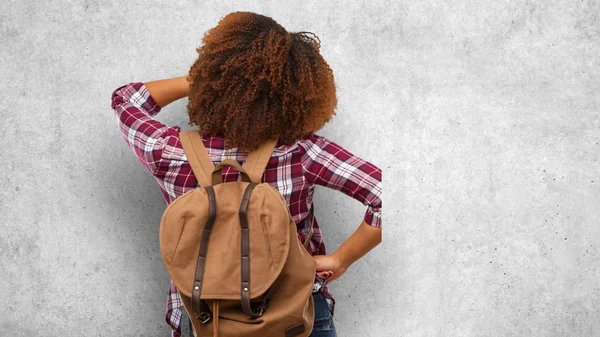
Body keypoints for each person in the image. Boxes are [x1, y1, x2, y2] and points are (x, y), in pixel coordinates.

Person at [110, 11, 381, 337]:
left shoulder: (168, 151)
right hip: (294, 317)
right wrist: (341, 259)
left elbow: (125, 99)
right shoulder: (302, 154)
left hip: (204, 320)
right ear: (296, 95)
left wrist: (209, 76)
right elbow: (385, 195)